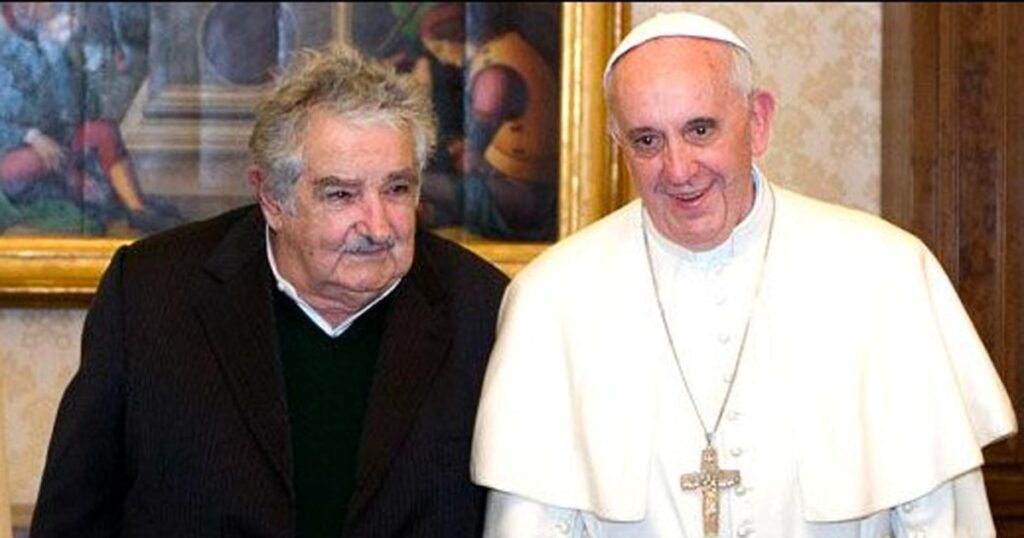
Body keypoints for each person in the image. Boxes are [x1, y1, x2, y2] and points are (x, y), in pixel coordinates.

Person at [471, 11, 1017, 537]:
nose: (678, 170)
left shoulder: (887, 276)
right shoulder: (552, 300)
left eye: (700, 129)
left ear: (758, 122)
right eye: (647, 140)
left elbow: (941, 524)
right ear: (620, 142)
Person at [31, 43, 508, 537]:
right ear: (272, 198)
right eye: (341, 194)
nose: (378, 225)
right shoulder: (151, 295)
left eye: (397, 190)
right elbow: (72, 520)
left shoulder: (481, 310)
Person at [0, 2, 180, 234]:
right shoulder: (6, 47)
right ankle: (72, 188)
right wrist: (31, 137)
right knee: (39, 159)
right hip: (11, 155)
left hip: (55, 142)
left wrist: (61, 51)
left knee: (103, 132)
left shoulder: (47, 44)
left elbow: (75, 109)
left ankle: (137, 209)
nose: (53, 7)